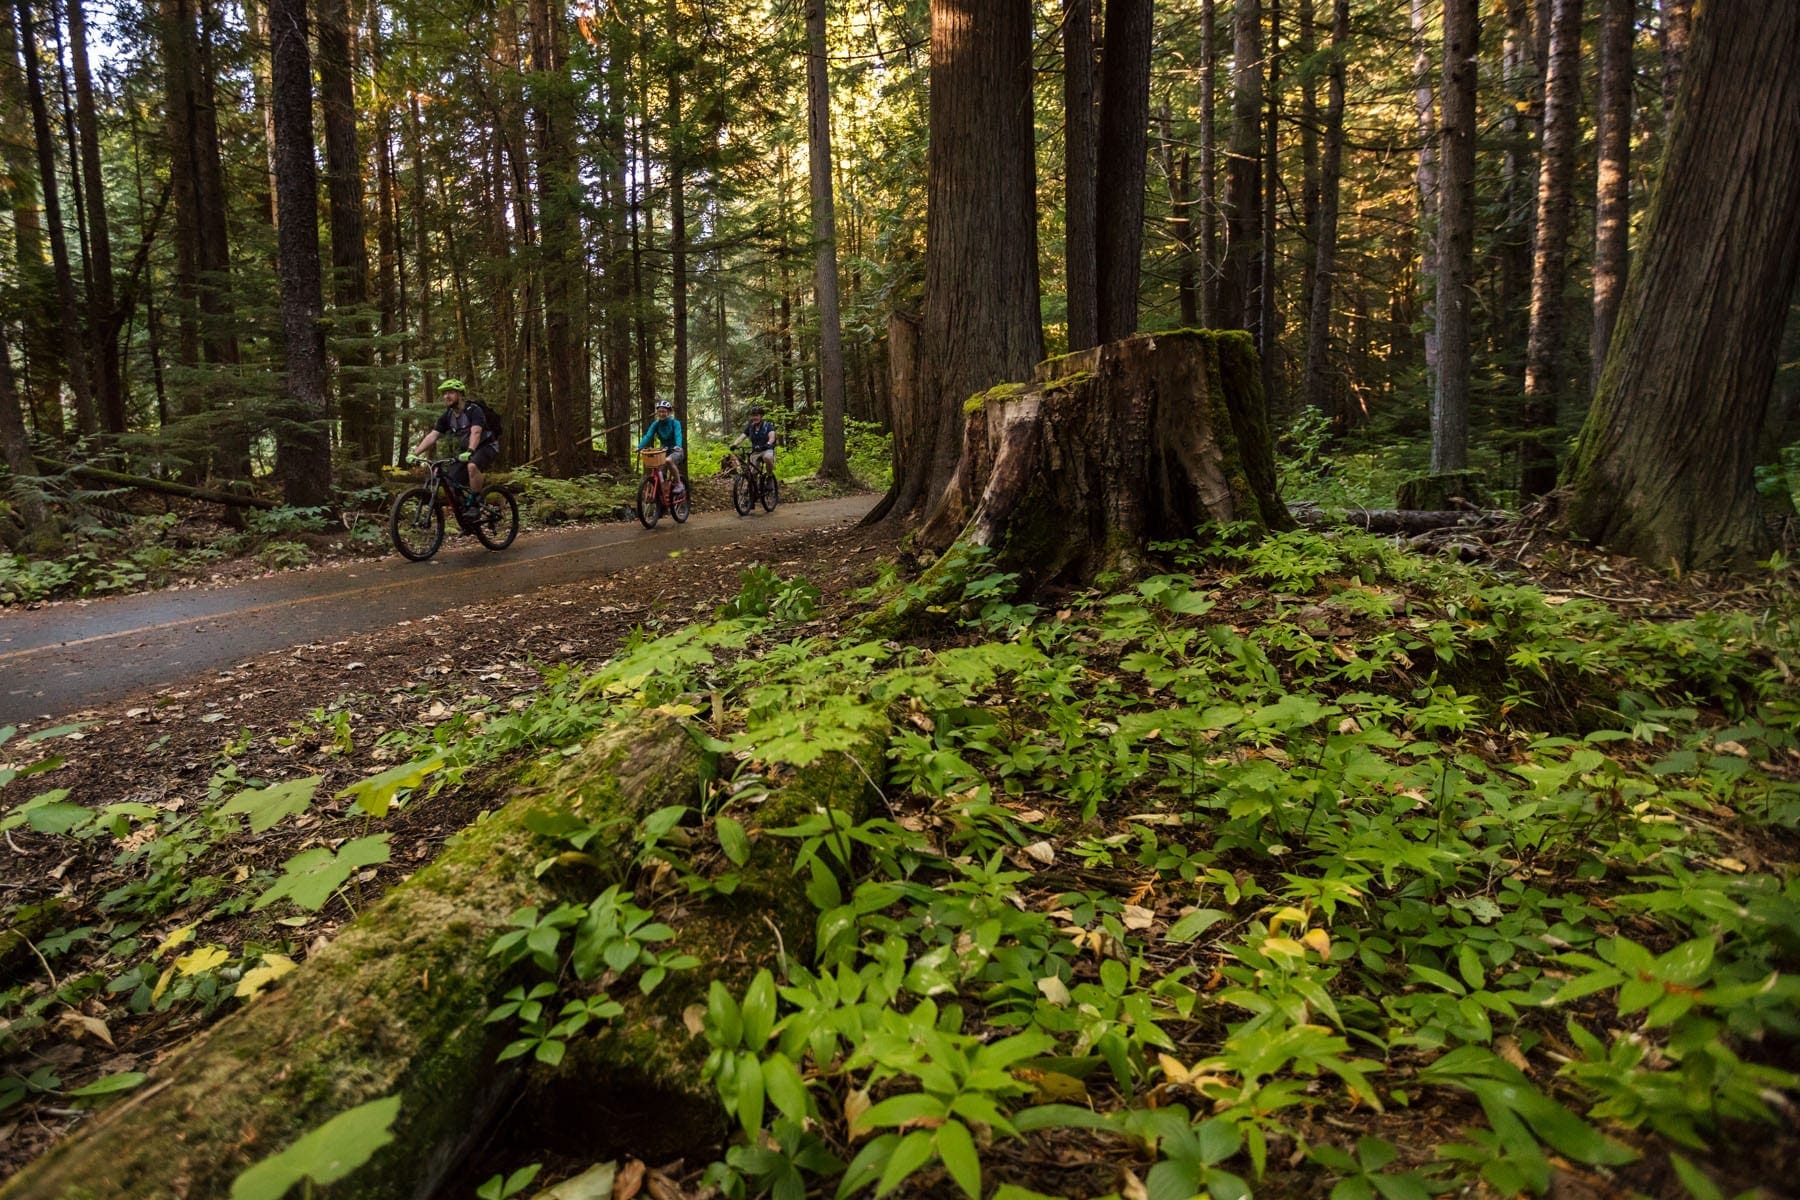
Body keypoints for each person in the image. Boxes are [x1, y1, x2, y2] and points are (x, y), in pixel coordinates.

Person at [410, 379, 499, 514]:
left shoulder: (474, 410)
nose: (447, 396)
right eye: (445, 394)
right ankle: (464, 512)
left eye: (451, 392)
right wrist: (414, 454)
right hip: (467, 451)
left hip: (487, 446)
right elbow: (432, 436)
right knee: (450, 482)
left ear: (461, 394)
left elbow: (476, 432)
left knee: (472, 465)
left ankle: (476, 503)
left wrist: (470, 451)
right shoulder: (448, 416)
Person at [639, 399, 686, 499]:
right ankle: (661, 498)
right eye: (659, 411)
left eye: (664, 411)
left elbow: (678, 435)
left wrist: (678, 445)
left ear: (669, 412)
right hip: (664, 450)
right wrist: (639, 447)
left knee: (669, 460)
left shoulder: (675, 423)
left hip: (676, 450)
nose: (661, 414)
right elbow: (648, 435)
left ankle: (679, 484)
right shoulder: (656, 424)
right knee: (659, 472)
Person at [731, 404, 778, 476]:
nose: (755, 417)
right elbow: (742, 437)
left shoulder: (768, 426)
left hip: (766, 449)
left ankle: (769, 475)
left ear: (761, 416)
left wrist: (768, 444)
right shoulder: (750, 427)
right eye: (753, 415)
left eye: (757, 415)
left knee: (767, 458)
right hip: (755, 451)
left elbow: (772, 437)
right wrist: (735, 444)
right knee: (752, 474)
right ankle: (753, 486)